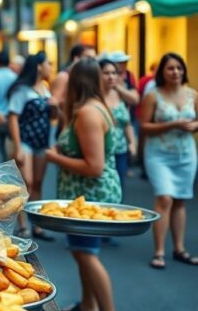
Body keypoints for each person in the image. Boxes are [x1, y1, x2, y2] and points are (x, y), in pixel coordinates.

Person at [46, 58, 122, 311]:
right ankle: (89, 305)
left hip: (90, 197)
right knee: (82, 253)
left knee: (86, 254)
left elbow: (94, 166)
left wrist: (55, 158)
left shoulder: (89, 113)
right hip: (83, 196)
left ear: (77, 81)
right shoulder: (87, 108)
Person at [140, 53, 198, 269]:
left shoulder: (192, 94)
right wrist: (172, 125)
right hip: (159, 154)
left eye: (179, 68)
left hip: (186, 154)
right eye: (171, 68)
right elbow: (144, 126)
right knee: (165, 198)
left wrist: (194, 126)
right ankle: (159, 251)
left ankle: (180, 248)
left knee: (181, 200)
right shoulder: (153, 96)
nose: (176, 72)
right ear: (162, 72)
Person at [8, 51, 55, 240]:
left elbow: (52, 118)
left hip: (42, 143)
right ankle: (22, 225)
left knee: (37, 183)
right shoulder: (22, 90)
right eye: (48, 63)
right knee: (24, 183)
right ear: (39, 67)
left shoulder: (45, 88)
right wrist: (18, 147)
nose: (51, 67)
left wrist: (56, 107)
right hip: (25, 141)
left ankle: (37, 225)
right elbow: (13, 118)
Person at [99, 59, 136, 197]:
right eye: (106, 73)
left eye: (114, 73)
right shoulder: (94, 96)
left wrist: (132, 142)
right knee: (103, 189)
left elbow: (126, 123)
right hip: (101, 150)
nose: (111, 77)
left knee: (118, 188)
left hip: (120, 149)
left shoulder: (120, 94)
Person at [50, 44, 96, 110]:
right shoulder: (64, 77)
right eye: (88, 58)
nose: (92, 62)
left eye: (94, 59)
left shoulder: (86, 77)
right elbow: (54, 103)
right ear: (76, 59)